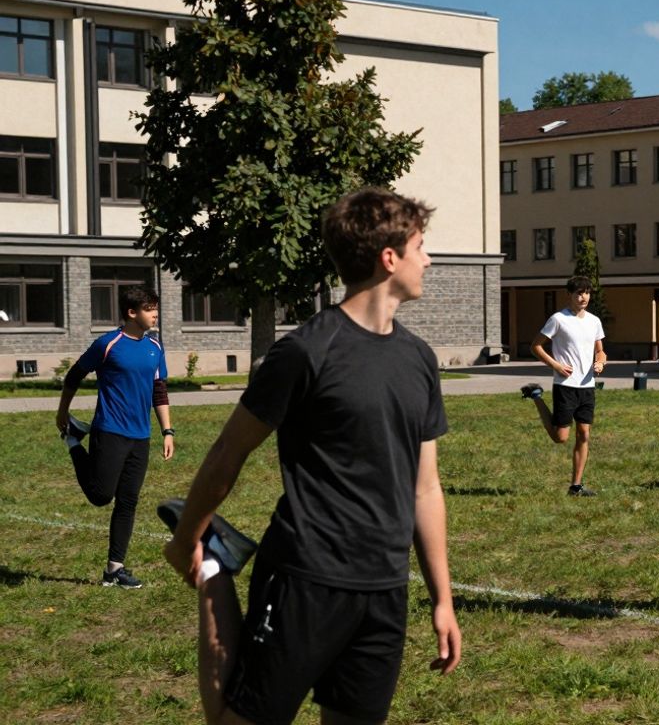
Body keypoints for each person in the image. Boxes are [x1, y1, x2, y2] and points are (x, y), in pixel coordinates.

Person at [161, 188, 461, 724]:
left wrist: (443, 597)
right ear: (388, 258)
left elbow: (425, 487)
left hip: (384, 588)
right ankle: (214, 570)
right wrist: (188, 539)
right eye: (421, 245)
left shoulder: (420, 359)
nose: (429, 259)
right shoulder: (305, 352)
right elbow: (229, 451)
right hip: (305, 576)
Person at [55, 284, 174, 589]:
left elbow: (159, 391)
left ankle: (114, 569)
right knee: (100, 496)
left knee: (128, 501)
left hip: (140, 436)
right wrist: (62, 413)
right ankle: (74, 441)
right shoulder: (108, 344)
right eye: (149, 309)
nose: (155, 314)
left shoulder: (155, 347)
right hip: (109, 430)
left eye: (155, 308)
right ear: (132, 313)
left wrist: (167, 431)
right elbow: (73, 376)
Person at [519, 275, 606, 497]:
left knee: (584, 434)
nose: (583, 296)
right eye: (579, 293)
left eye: (587, 292)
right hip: (565, 385)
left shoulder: (594, 321)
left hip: (587, 386)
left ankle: (576, 486)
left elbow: (600, 350)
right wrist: (556, 365)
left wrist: (600, 361)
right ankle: (536, 396)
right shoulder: (558, 319)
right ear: (569, 295)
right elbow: (535, 346)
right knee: (561, 438)